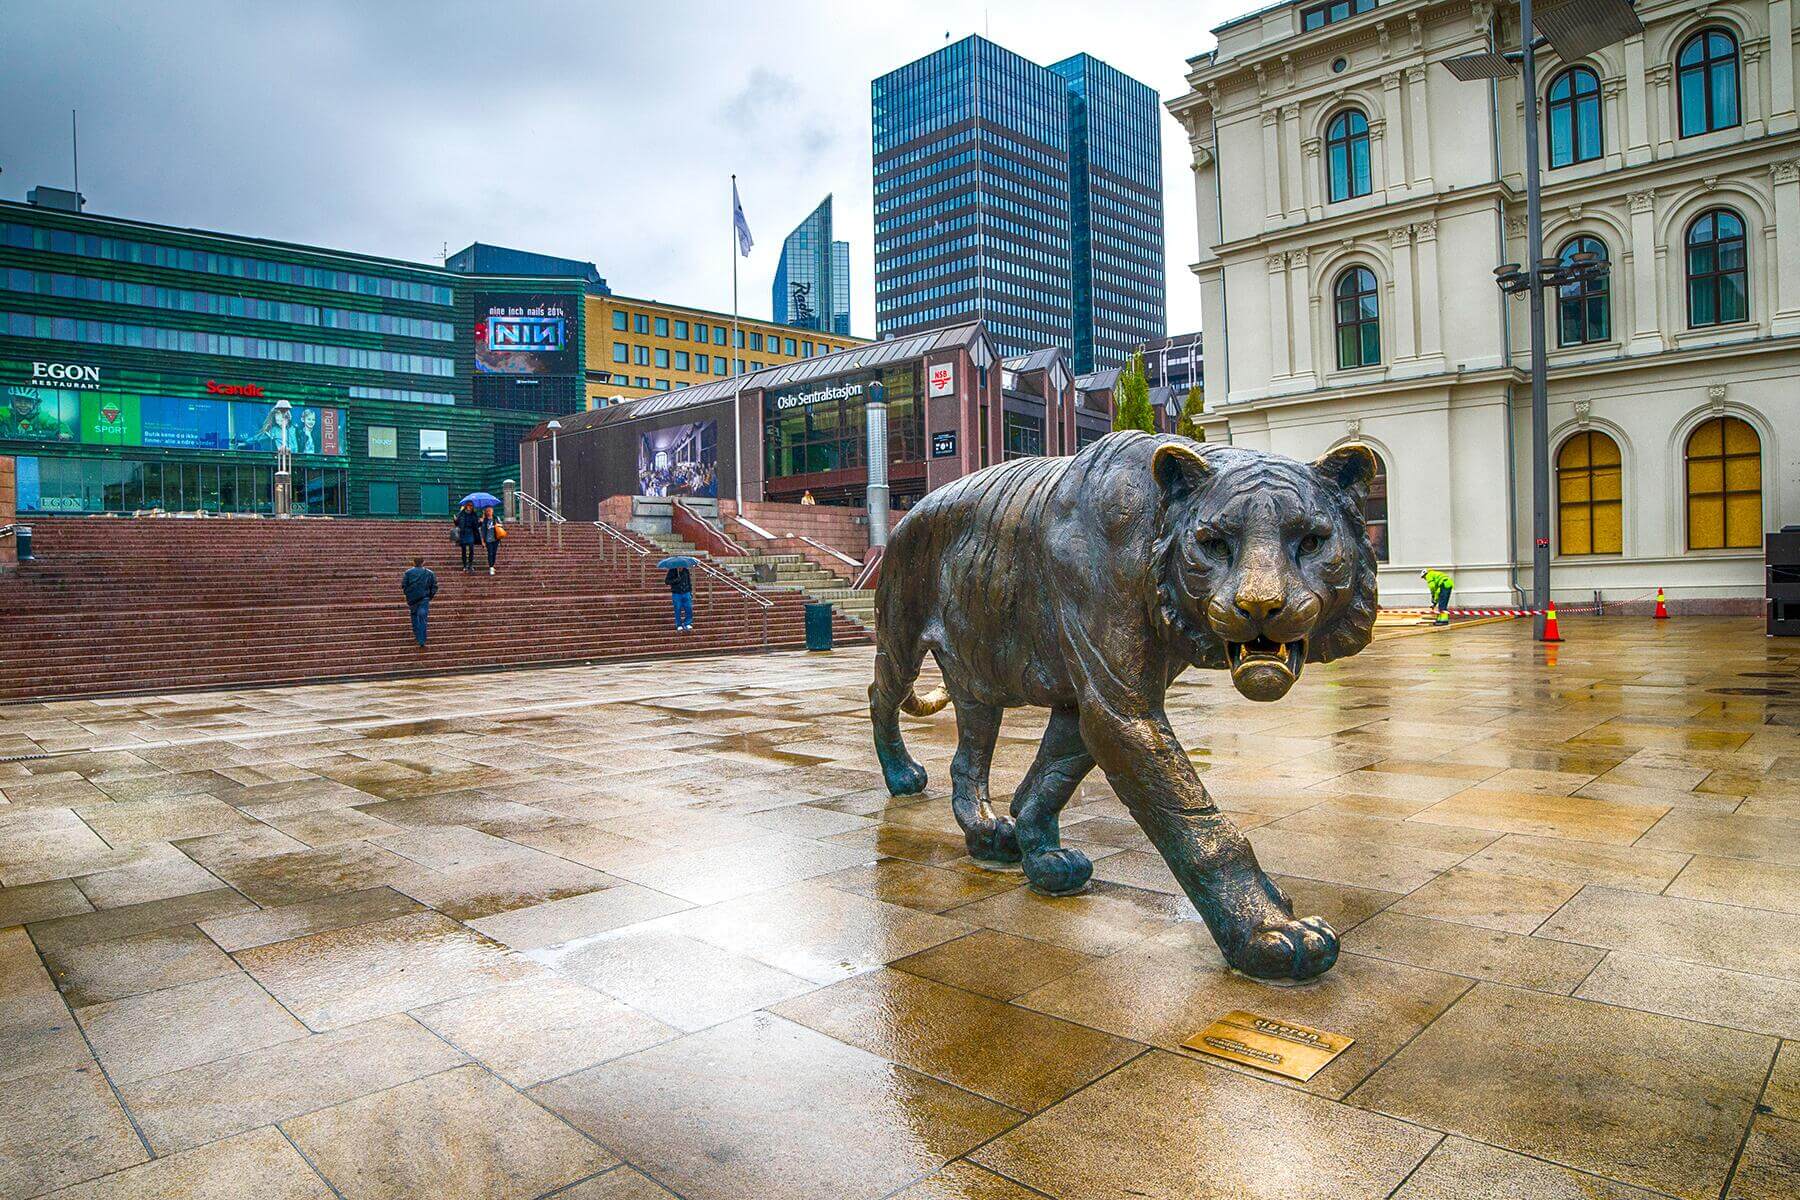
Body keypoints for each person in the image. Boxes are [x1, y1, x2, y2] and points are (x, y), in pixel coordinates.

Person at [402, 556, 438, 648]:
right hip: (424, 599)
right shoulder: (429, 573)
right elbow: (434, 586)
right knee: (422, 618)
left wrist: (409, 595)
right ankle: (422, 639)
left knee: (414, 616)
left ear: (413, 562)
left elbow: (404, 585)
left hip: (412, 599)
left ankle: (417, 634)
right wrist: (429, 596)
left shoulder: (408, 573)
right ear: (423, 562)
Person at [666, 561, 694, 632]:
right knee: (677, 609)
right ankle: (679, 624)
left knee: (689, 608)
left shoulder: (686, 571)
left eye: (682, 565)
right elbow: (667, 581)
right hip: (677, 593)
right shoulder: (672, 571)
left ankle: (687, 623)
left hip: (686, 592)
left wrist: (690, 591)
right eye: (679, 566)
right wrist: (675, 580)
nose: (680, 567)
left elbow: (688, 581)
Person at [453, 502, 479, 572]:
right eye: (468, 505)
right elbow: (457, 523)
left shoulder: (474, 514)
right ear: (466, 506)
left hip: (471, 532)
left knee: (471, 548)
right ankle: (465, 565)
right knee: (463, 550)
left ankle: (470, 564)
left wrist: (480, 521)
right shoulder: (461, 514)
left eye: (471, 505)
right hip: (463, 533)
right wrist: (455, 520)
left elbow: (476, 525)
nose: (470, 507)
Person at [480, 506, 501, 576]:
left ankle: (492, 565)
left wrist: (497, 525)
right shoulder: (485, 520)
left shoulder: (496, 518)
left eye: (490, 510)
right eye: (487, 511)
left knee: (494, 553)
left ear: (492, 511)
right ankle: (491, 567)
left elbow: (501, 525)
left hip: (496, 539)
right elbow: (482, 531)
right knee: (490, 553)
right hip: (488, 540)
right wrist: (483, 541)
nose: (489, 512)